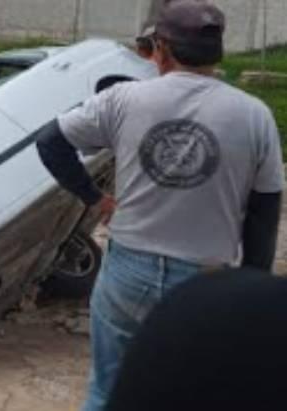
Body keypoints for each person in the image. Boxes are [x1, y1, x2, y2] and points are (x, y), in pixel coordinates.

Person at [33, 1, 284, 410]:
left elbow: (50, 142)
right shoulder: (254, 116)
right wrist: (247, 292)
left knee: (106, 391)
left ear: (161, 48)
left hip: (129, 271)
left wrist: (95, 198)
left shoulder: (123, 100)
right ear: (217, 53)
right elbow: (265, 211)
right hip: (205, 282)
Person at [106, 267, 287, 411]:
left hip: (134, 264)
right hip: (203, 267)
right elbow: (261, 224)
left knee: (102, 386)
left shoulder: (199, 299)